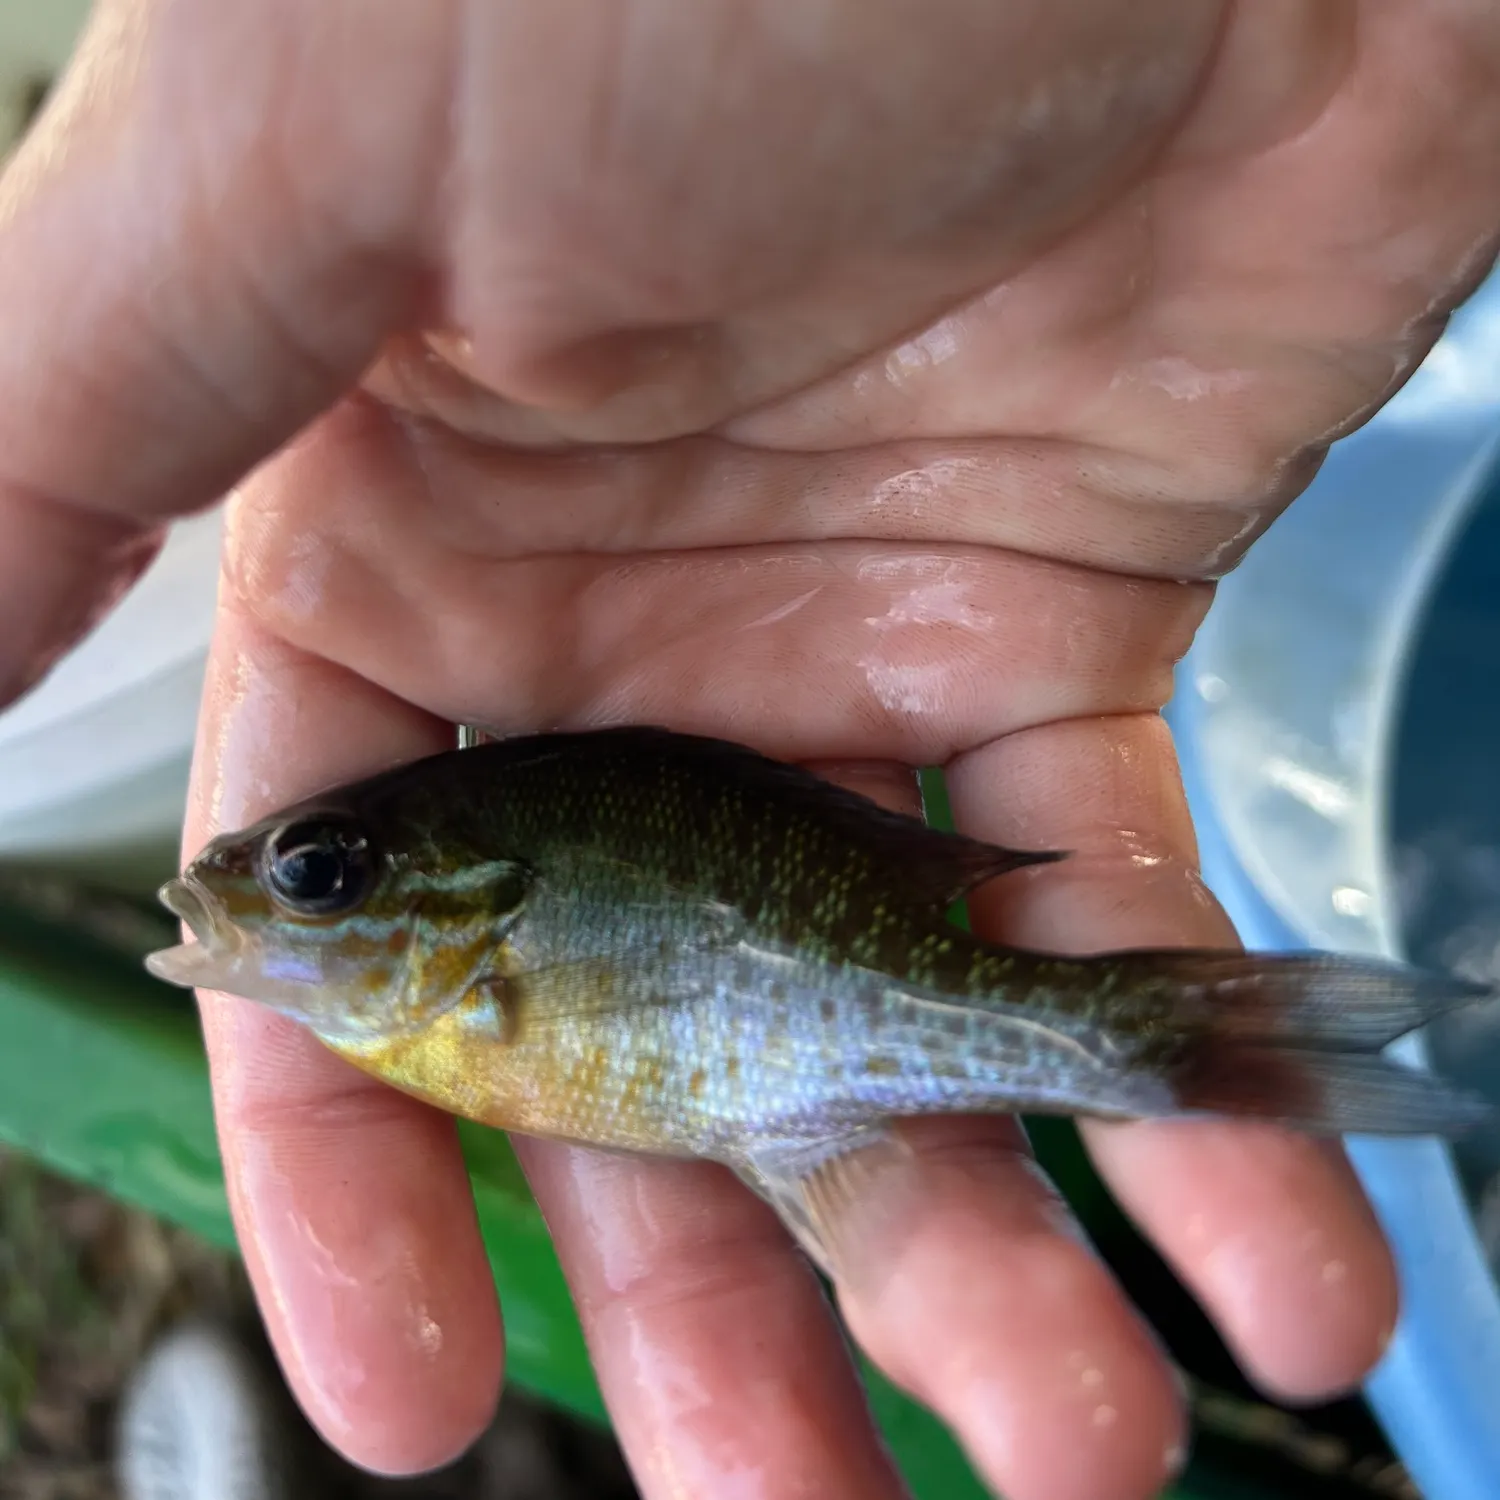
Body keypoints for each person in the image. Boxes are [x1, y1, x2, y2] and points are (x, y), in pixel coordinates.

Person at [2, 5, 1497, 1499]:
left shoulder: (460, 995)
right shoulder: (433, 993)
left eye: (318, 873)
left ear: (462, 901)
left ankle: (1210, 1042)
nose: (266, 892)